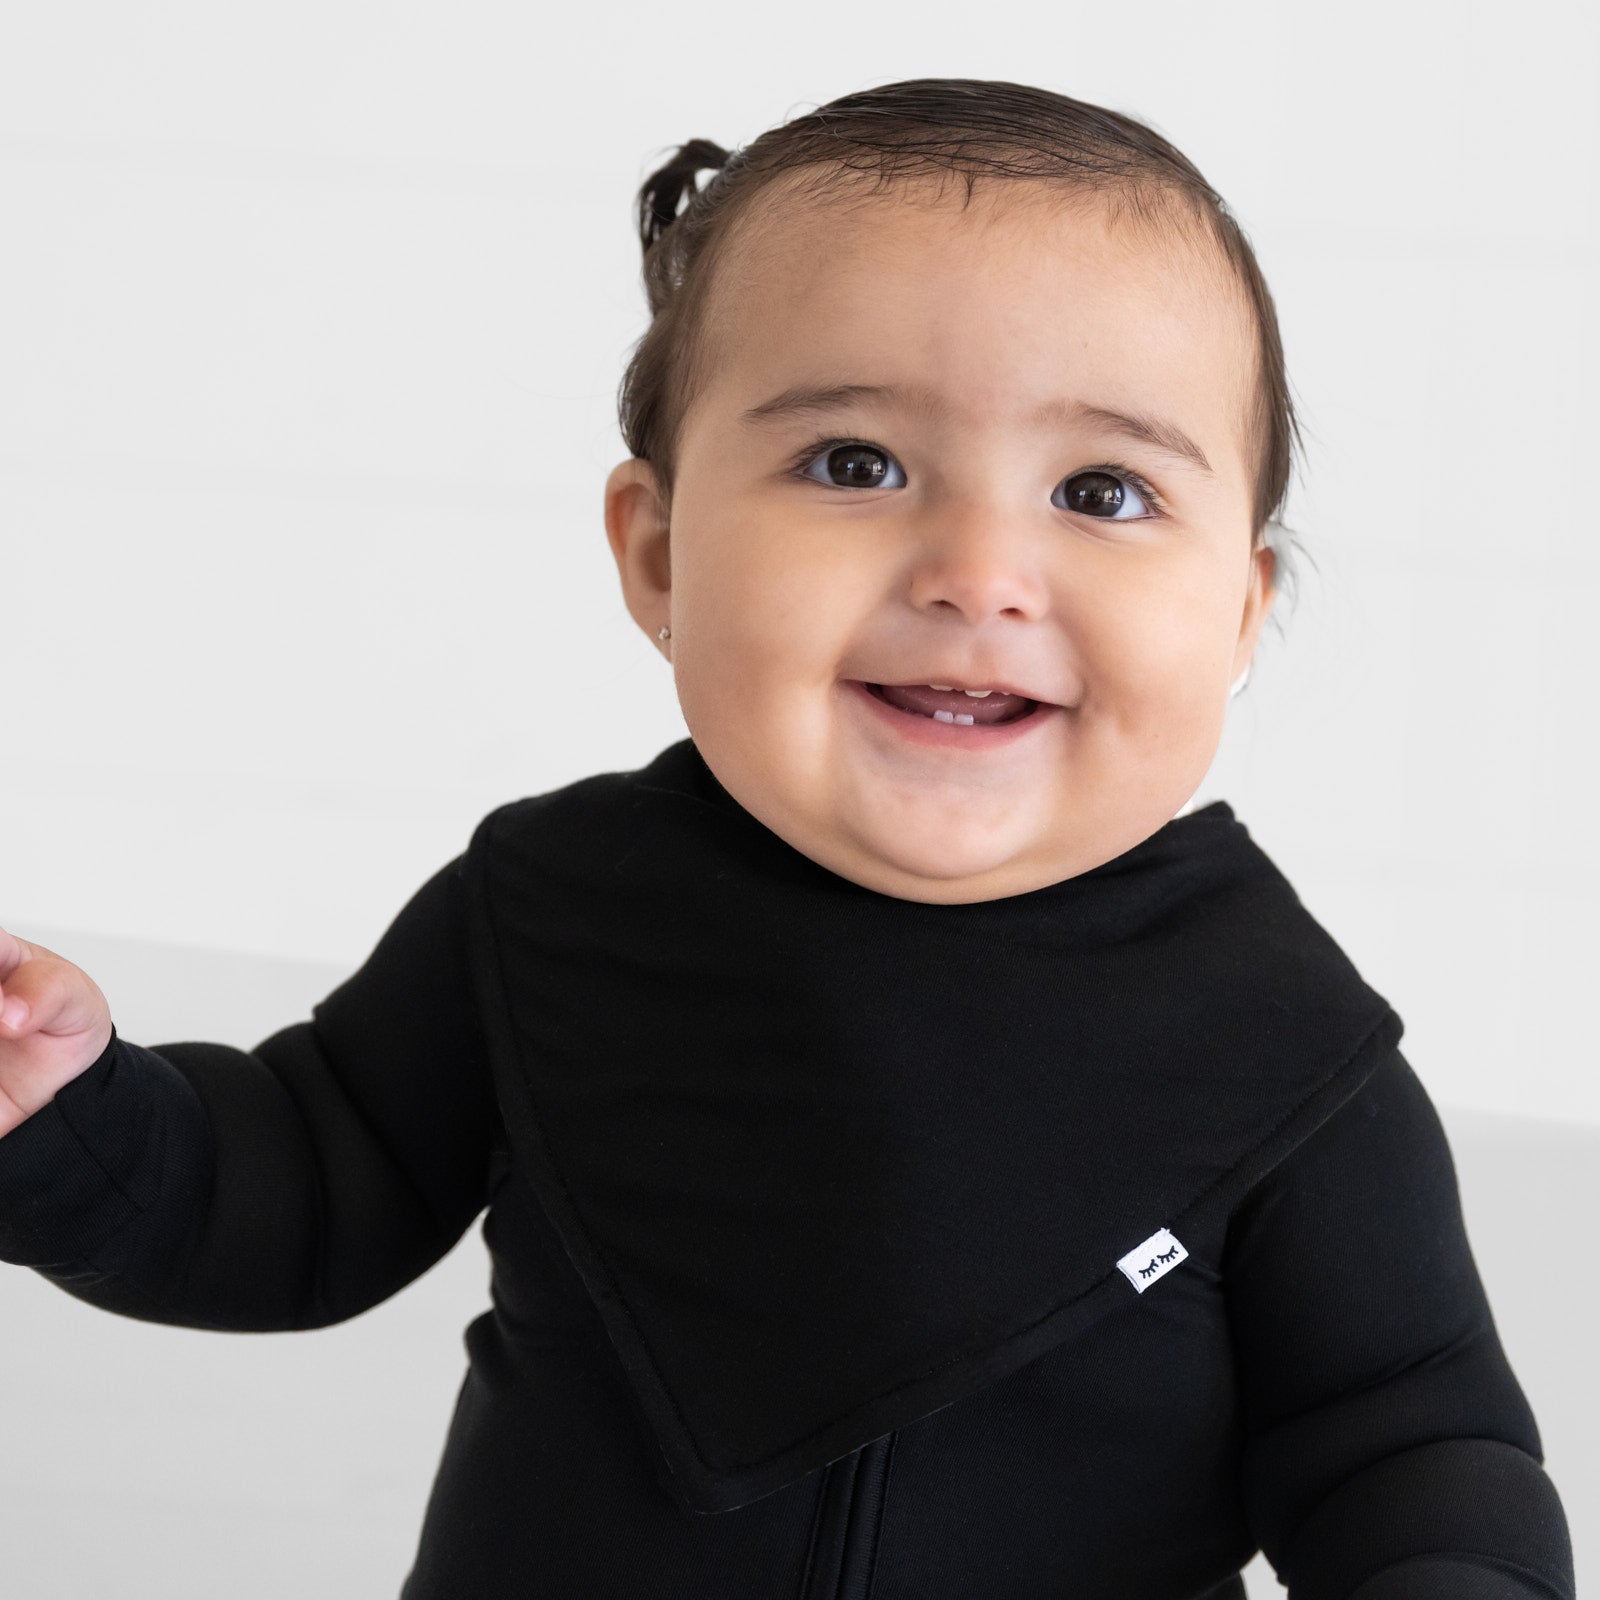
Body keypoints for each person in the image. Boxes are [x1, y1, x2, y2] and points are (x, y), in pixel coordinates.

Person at [0, 78, 1576, 1600]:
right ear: (661, 551)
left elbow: (1405, 1434)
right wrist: (71, 1119)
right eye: (855, 464)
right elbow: (297, 1188)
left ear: (1237, 612)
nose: (977, 570)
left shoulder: (1282, 1048)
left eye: (1101, 489)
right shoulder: (555, 915)